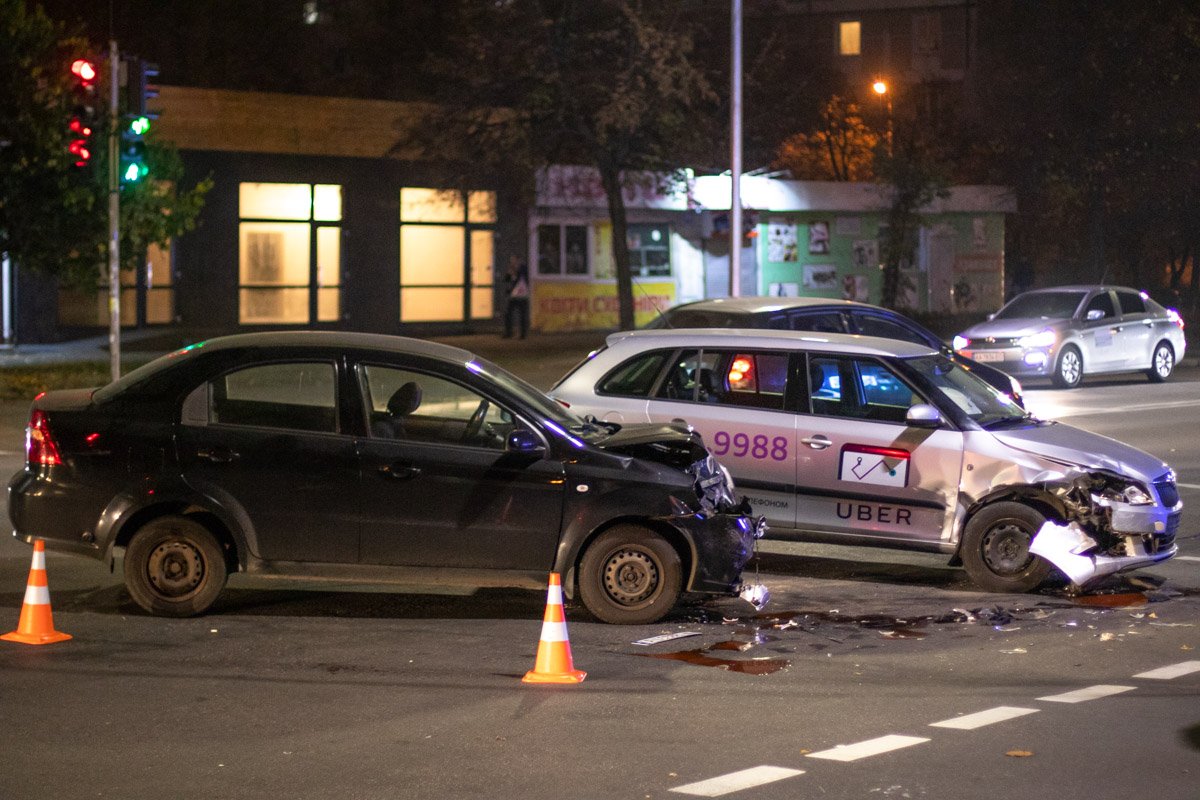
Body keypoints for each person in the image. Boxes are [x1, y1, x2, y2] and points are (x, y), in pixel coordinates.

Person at [502, 255, 530, 339]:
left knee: (522, 315)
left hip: (522, 295)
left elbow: (521, 279)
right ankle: (509, 332)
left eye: (513, 260)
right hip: (514, 295)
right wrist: (509, 273)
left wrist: (515, 272)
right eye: (511, 261)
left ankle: (523, 334)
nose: (512, 262)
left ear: (518, 260)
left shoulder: (523, 268)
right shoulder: (512, 269)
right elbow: (506, 279)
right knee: (508, 314)